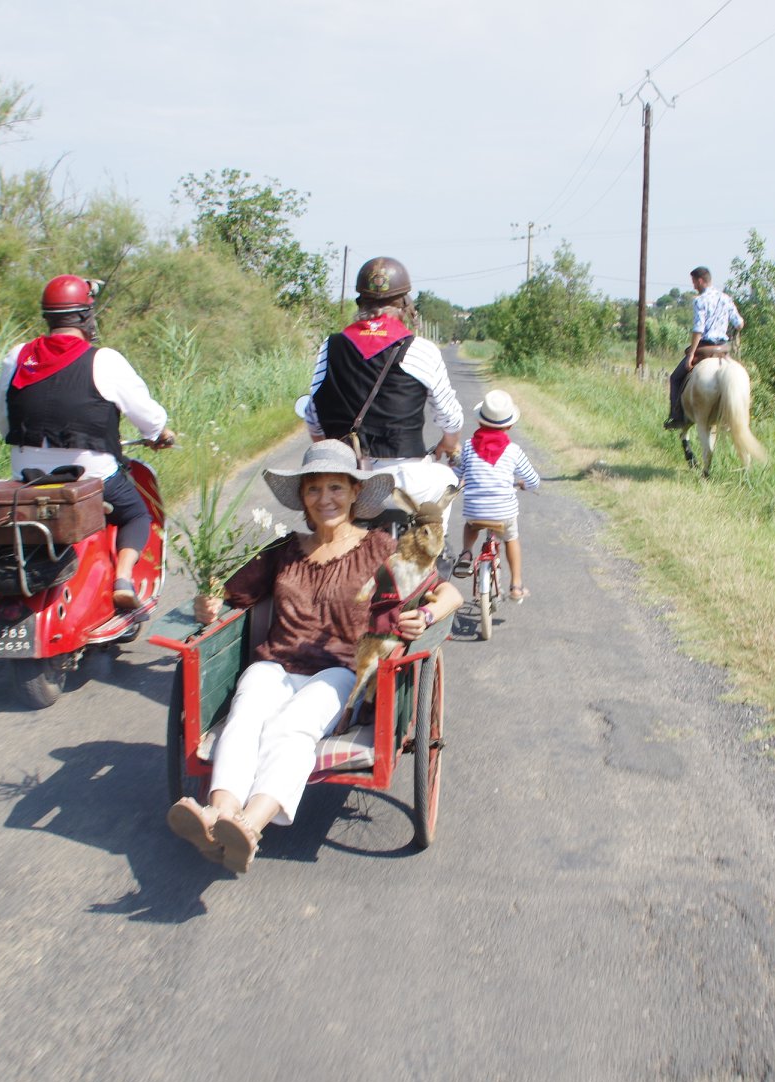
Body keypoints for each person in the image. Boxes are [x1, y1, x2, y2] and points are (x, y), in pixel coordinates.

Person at [167, 440, 464, 873]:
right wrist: (207, 602)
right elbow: (230, 592)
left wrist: (428, 614)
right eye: (314, 490)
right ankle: (219, 813)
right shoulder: (285, 550)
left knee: (292, 726)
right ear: (303, 498)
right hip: (275, 663)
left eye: (336, 488)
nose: (325, 499)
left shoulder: (380, 549)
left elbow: (447, 592)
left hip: (339, 671)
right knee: (246, 713)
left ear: (354, 494)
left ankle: (249, 826)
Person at [0, 275, 175, 612]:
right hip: (91, 479)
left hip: (27, 478)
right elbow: (149, 418)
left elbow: (1, 418)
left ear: (48, 317)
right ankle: (122, 578)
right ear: (85, 316)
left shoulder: (17, 356)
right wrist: (159, 434)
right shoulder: (104, 360)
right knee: (136, 513)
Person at [301, 256, 464, 514]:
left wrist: (330, 451)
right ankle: (431, 553)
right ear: (404, 305)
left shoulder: (330, 346)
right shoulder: (421, 349)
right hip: (405, 480)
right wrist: (449, 440)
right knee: (447, 480)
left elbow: (312, 414)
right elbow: (449, 414)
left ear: (360, 304)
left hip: (346, 479)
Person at [451, 389, 541, 602]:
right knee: (511, 538)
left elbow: (456, 476)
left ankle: (465, 552)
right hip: (503, 512)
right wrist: (525, 485)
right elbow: (533, 480)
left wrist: (460, 482)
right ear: (509, 425)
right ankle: (516, 585)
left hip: (475, 510)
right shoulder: (513, 450)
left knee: (471, 524)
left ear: (480, 422)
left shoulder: (468, 447)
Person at [665, 266, 744, 430]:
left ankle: (676, 416)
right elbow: (739, 323)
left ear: (700, 281)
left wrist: (691, 354)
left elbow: (698, 330)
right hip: (723, 349)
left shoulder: (699, 300)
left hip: (705, 349)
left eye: (694, 282)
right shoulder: (726, 298)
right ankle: (731, 417)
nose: (693, 286)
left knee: (675, 378)